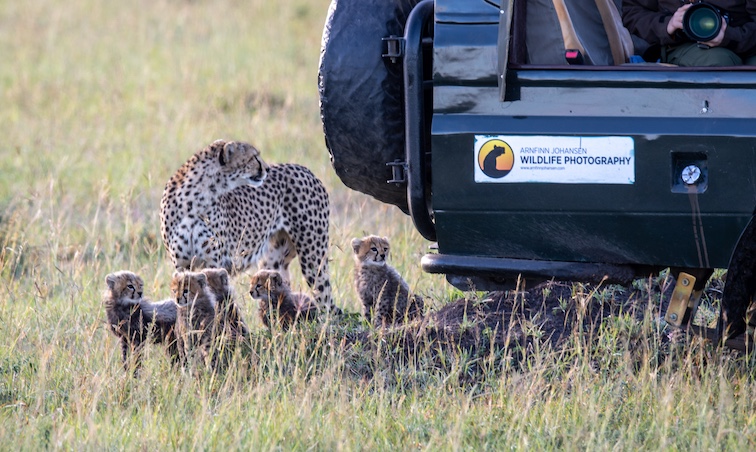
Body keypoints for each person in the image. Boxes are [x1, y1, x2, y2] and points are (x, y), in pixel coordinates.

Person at [623, 0, 756, 66]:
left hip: (746, 40)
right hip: (681, 44)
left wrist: (730, 36)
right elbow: (632, 11)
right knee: (717, 63)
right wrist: (667, 25)